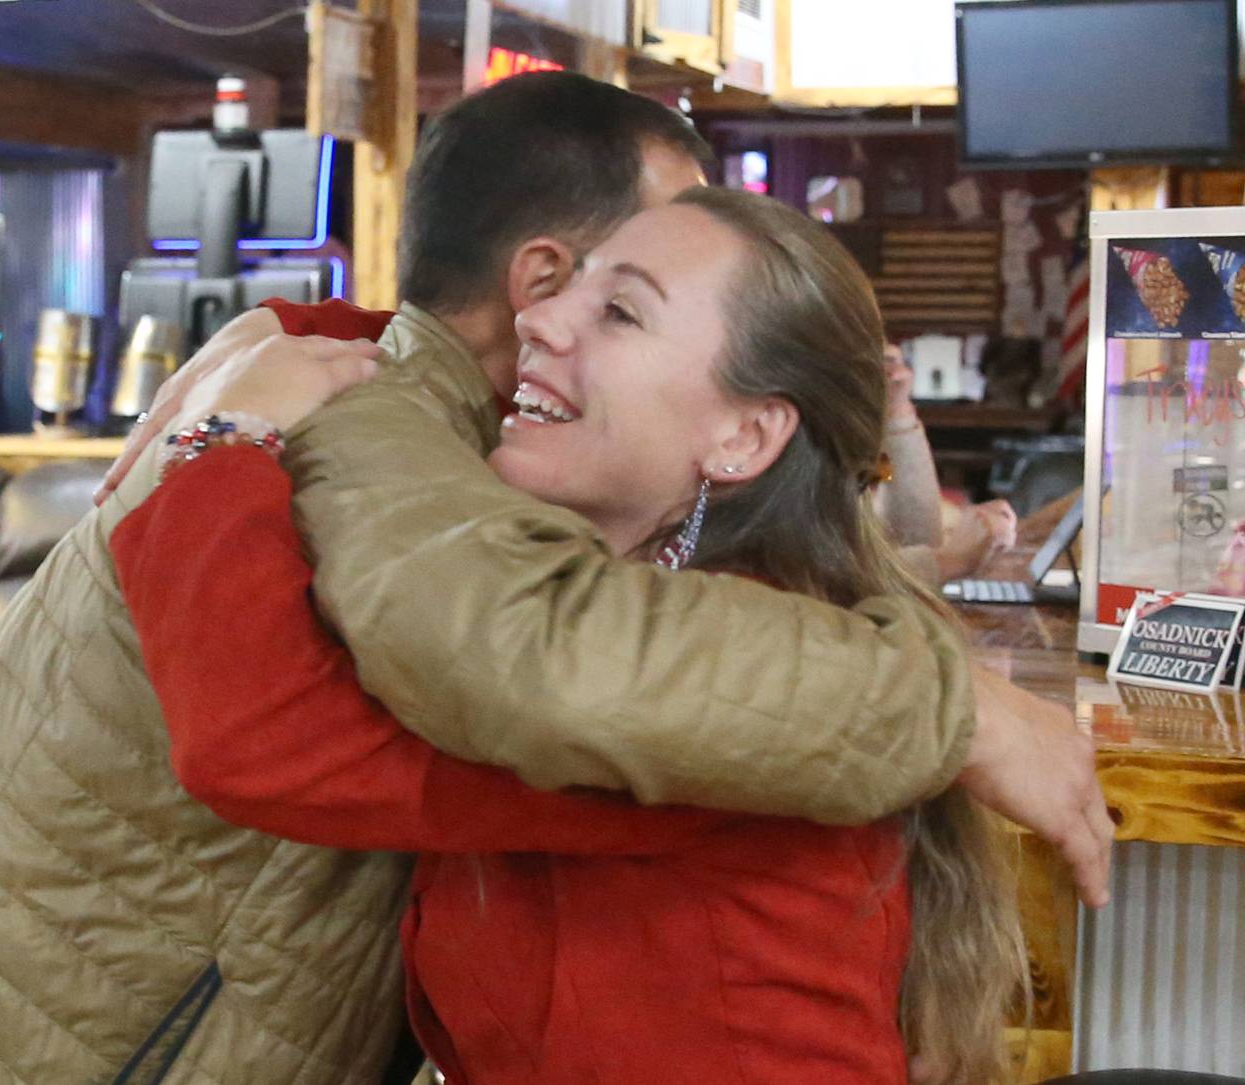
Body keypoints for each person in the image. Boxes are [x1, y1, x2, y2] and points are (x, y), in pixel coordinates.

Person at [0, 73, 1103, 1085]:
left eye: (627, 306)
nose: (559, 323)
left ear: (745, 430)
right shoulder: (352, 457)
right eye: (591, 285)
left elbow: (586, 659)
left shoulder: (367, 446)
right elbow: (323, 722)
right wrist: (959, 706)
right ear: (536, 275)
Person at [111, 188, 1026, 1084]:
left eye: (621, 311)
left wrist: (220, 444)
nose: (540, 319)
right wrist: (300, 335)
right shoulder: (646, 615)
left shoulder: (707, 673)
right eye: (568, 287)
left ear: (745, 437)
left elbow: (265, 739)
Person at [876, 343, 1019, 585]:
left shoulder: (879, 457)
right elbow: (839, 580)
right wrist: (953, 560)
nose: (899, 371)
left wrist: (896, 413)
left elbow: (915, 536)